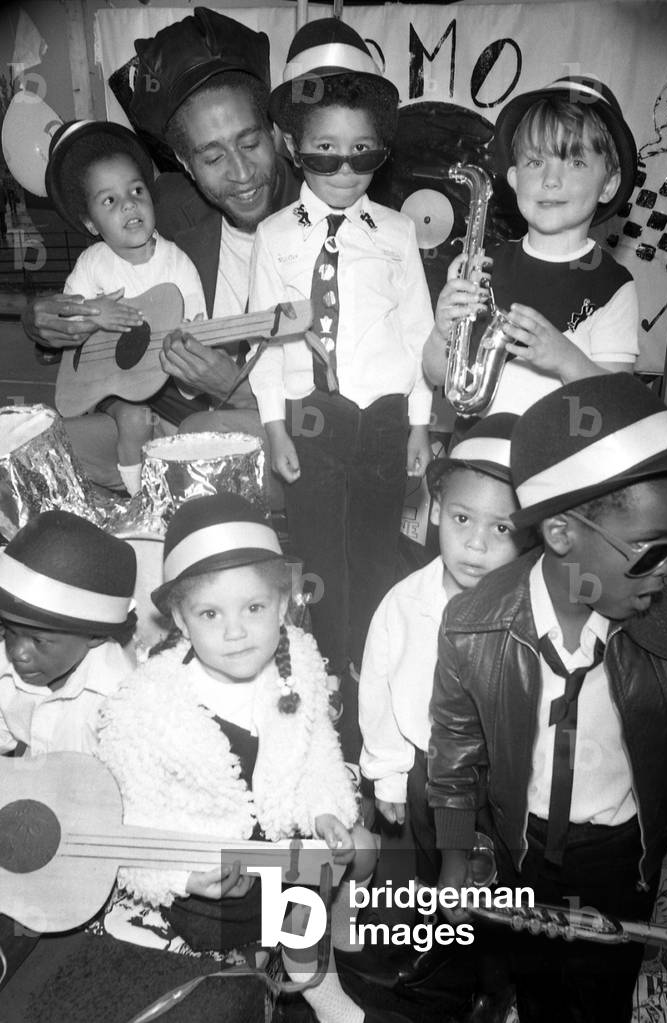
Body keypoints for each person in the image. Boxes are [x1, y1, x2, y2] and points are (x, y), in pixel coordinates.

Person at [429, 373, 667, 1023]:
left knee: (602, 995)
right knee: (536, 985)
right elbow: (453, 757)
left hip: (622, 854)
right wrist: (455, 856)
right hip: (521, 846)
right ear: (564, 534)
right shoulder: (471, 627)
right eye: (652, 550)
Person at [97, 493, 407, 1023]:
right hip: (213, 870)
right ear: (179, 616)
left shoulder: (298, 659)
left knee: (358, 845)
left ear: (283, 605)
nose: (235, 631)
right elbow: (131, 823)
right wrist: (182, 876)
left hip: (279, 837)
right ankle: (319, 988)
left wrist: (324, 811)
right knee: (283, 898)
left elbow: (317, 755)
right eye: (210, 613)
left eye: (255, 608)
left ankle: (319, 943)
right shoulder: (145, 707)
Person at [21, 9, 300, 503]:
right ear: (187, 167)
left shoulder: (327, 221)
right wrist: (40, 319)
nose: (240, 173)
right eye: (212, 158)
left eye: (251, 142)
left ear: (276, 134)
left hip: (277, 434)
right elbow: (95, 279)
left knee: (207, 429)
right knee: (34, 449)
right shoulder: (162, 209)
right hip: (152, 421)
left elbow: (354, 407)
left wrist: (232, 388)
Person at [249, 20, 434, 732]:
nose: (345, 171)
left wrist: (419, 422)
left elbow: (420, 331)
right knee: (322, 563)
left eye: (363, 155)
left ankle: (378, 690)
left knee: (379, 557)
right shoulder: (273, 237)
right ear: (294, 147)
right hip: (311, 419)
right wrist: (272, 425)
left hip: (385, 416)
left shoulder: (395, 232)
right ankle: (329, 698)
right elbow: (266, 342)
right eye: (325, 156)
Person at [359, 414, 528, 886]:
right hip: (424, 768)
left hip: (501, 778)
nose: (475, 544)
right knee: (417, 871)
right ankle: (420, 938)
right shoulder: (405, 602)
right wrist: (388, 773)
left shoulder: (529, 612)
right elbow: (379, 690)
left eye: (501, 529)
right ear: (435, 510)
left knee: (496, 877)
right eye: (462, 519)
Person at [423, 75, 640, 417]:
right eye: (536, 163)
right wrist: (442, 330)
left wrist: (565, 359)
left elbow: (616, 403)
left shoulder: (613, 285)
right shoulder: (482, 265)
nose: (551, 180)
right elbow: (436, 376)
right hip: (478, 456)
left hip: (563, 463)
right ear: (514, 179)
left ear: (608, 186)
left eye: (576, 162)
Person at [46, 120, 207, 495]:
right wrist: (92, 314)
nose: (129, 204)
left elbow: (196, 329)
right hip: (107, 391)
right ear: (90, 222)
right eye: (110, 201)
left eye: (136, 190)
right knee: (135, 417)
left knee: (181, 425)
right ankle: (140, 500)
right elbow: (64, 317)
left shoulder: (177, 265)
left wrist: (190, 340)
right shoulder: (92, 263)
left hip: (164, 389)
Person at [0, 509, 136, 757]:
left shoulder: (120, 702)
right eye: (9, 630)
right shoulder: (4, 667)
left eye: (38, 640)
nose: (17, 652)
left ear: (94, 636)